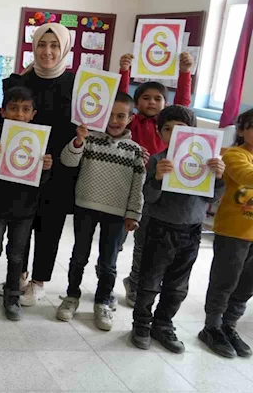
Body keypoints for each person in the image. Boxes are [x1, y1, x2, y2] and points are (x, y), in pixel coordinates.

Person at [131, 105, 225, 353]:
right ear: (160, 133)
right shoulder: (158, 160)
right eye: (167, 130)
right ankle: (141, 323)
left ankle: (163, 324)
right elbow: (149, 197)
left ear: (193, 133)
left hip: (191, 232)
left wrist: (219, 176)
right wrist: (157, 179)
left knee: (178, 285)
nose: (173, 135)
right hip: (160, 229)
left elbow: (212, 197)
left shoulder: (205, 162)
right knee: (149, 281)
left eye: (180, 130)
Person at [0, 23, 76, 306]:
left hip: (60, 167)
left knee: (49, 225)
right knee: (21, 223)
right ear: (33, 47)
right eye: (42, 45)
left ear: (65, 48)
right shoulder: (20, 83)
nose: (48, 51)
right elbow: (6, 120)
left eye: (54, 45)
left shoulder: (75, 84)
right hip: (22, 163)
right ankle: (18, 275)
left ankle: (39, 281)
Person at [55, 93, 145, 331]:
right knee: (78, 256)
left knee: (108, 262)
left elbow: (138, 185)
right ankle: (71, 295)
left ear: (131, 118)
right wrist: (78, 141)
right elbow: (68, 161)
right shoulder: (90, 140)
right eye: (110, 115)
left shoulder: (135, 151)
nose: (114, 120)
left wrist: (133, 213)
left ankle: (103, 300)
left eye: (121, 116)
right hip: (85, 206)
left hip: (116, 213)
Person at [118, 51, 193, 307]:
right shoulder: (134, 122)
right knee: (121, 239)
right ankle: (120, 270)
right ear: (137, 104)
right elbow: (121, 98)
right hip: (127, 185)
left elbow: (183, 106)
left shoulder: (170, 127)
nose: (151, 102)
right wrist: (124, 71)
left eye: (158, 98)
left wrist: (185, 72)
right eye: (145, 98)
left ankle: (136, 282)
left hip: (153, 190)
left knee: (143, 245)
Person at [0, 86, 52, 321]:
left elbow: (40, 179)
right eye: (14, 108)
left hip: (25, 209)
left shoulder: (39, 141)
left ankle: (12, 294)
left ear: (33, 113)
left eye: (25, 109)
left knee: (17, 256)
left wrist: (47, 168)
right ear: (3, 111)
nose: (19, 114)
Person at [199, 109, 253, 359]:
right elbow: (246, 176)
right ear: (241, 130)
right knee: (225, 282)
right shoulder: (233, 155)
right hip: (233, 232)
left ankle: (229, 326)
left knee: (246, 285)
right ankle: (212, 327)